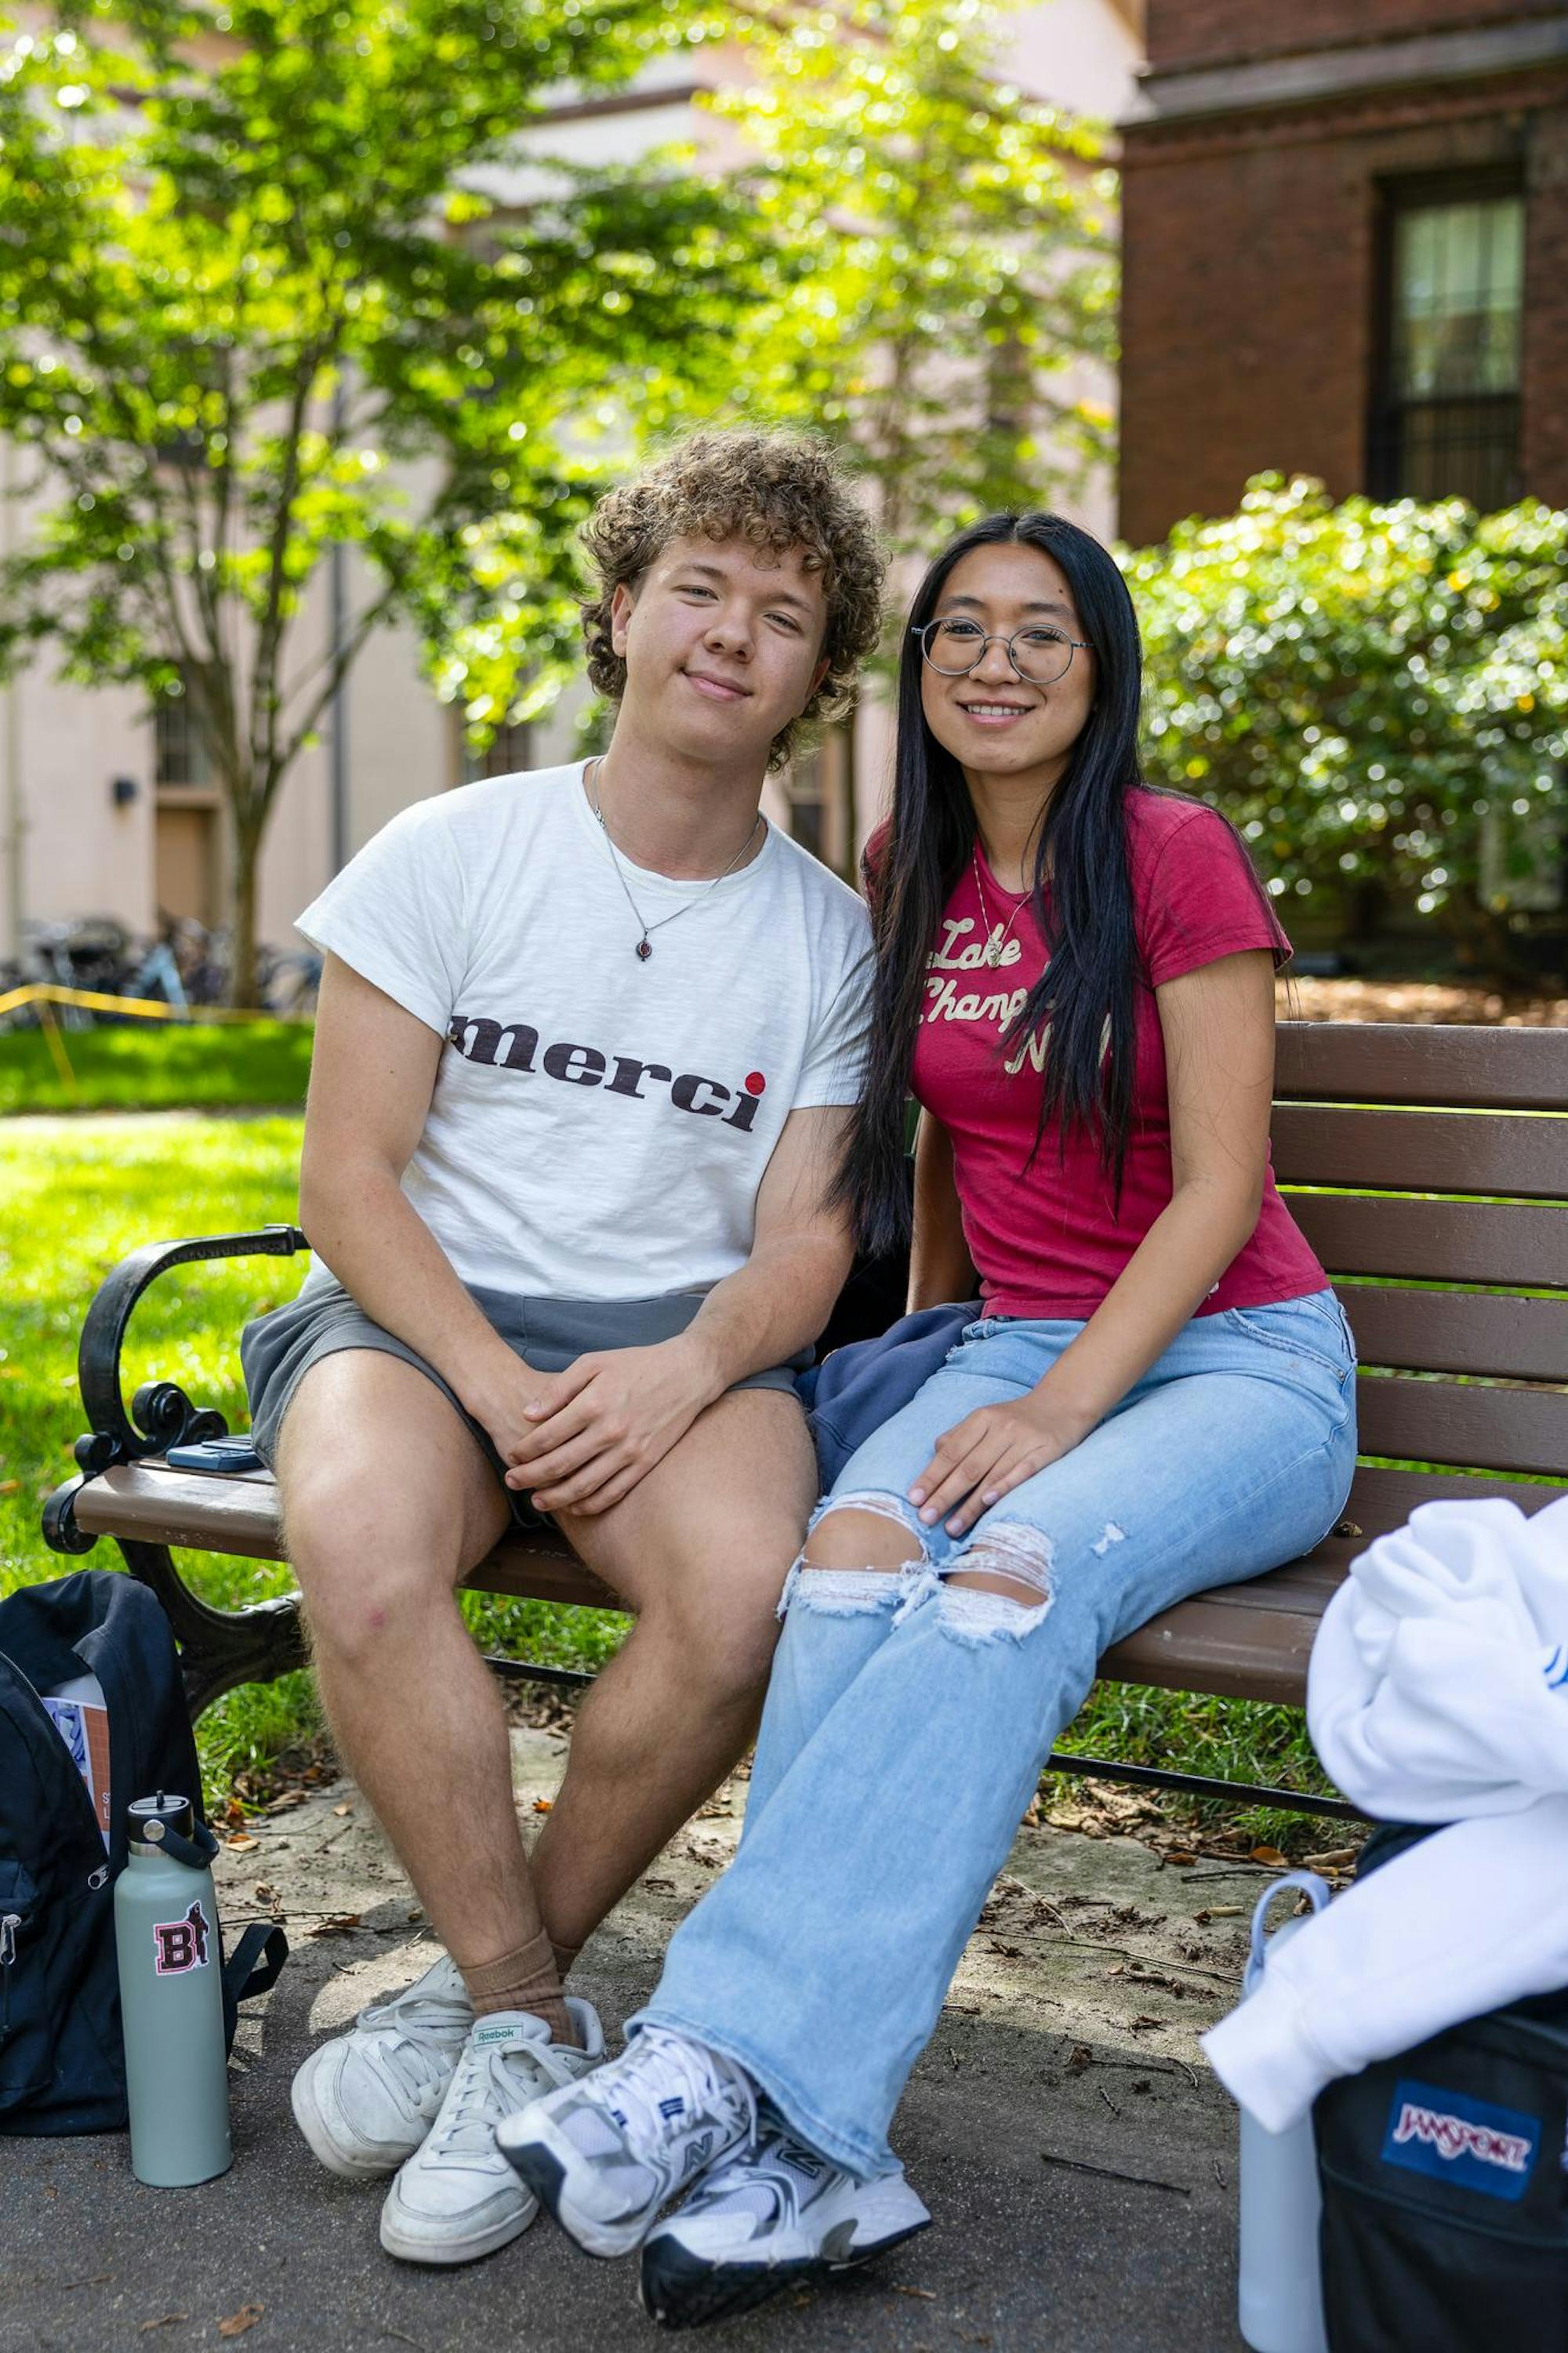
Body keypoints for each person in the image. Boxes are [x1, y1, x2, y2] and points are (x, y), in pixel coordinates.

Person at [499, 510, 1359, 2326]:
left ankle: (716, 2066)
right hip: (1007, 1350)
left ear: (1099, 664)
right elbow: (956, 1145)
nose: (993, 660)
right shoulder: (910, 860)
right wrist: (943, 1361)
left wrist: (1051, 1407)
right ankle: (825, 2155)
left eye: (1039, 631)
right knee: (843, 1572)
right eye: (959, 628)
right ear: (917, 670)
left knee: (1003, 1586)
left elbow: (1215, 1194)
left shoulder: (1172, 857)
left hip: (1236, 1361)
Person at [242, 428, 884, 2265]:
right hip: (415, 1314)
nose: (730, 634)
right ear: (623, 609)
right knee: (362, 1548)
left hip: (675, 1352)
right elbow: (348, 1181)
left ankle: (476, 2006)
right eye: (699, 587)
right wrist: (501, 1388)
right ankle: (523, 2002)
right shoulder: (453, 844)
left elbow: (809, 1240)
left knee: (749, 1590)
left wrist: (684, 1370)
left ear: (811, 678)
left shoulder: (828, 940)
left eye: (783, 613)